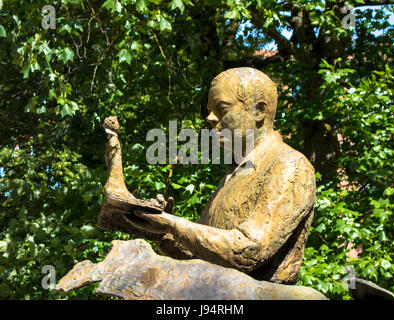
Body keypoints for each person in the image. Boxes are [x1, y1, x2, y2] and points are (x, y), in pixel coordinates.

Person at [126, 67, 316, 284]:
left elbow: (248, 250)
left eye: (221, 108)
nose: (209, 117)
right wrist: (163, 230)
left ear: (259, 111)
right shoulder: (233, 175)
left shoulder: (289, 165)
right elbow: (200, 255)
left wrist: (174, 225)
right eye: (210, 110)